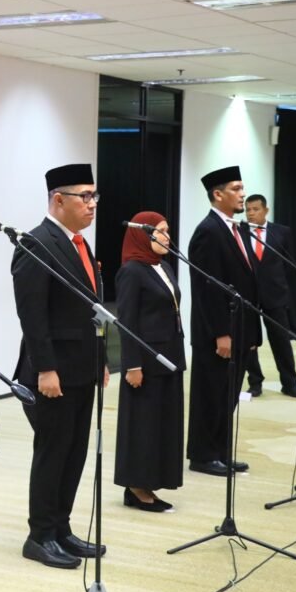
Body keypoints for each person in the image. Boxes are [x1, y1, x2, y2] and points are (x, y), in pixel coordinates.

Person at [11, 163, 109, 569]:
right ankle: (40, 535)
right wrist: (45, 369)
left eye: (94, 196)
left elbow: (93, 310)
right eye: (84, 196)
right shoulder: (37, 243)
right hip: (53, 373)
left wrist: (103, 360)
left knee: (74, 452)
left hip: (83, 368)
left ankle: (61, 527)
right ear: (58, 200)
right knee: (53, 452)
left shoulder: (79, 244)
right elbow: (32, 315)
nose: (92, 204)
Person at [187, 166, 261, 476]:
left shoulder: (236, 228)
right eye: (236, 188)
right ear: (218, 194)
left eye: (242, 188)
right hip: (217, 333)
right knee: (211, 394)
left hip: (240, 328)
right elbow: (208, 288)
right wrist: (221, 333)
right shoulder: (208, 231)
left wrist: (252, 333)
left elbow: (247, 281)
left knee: (228, 395)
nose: (243, 194)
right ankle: (202, 455)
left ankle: (219, 450)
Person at [114, 212, 186, 512]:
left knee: (163, 425)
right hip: (145, 362)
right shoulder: (132, 271)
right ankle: (136, 488)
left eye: (168, 231)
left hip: (170, 357)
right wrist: (132, 365)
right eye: (160, 231)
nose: (167, 237)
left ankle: (152, 483)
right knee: (143, 425)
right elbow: (127, 322)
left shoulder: (164, 266)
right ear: (143, 235)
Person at [244, 194, 296, 398]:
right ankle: (255, 382)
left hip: (276, 295)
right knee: (250, 341)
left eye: (255, 209)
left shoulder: (281, 232)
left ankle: (289, 383)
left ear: (266, 210)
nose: (251, 213)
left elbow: (289, 264)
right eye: (248, 210)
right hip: (249, 295)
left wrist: (282, 288)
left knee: (281, 340)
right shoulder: (240, 232)